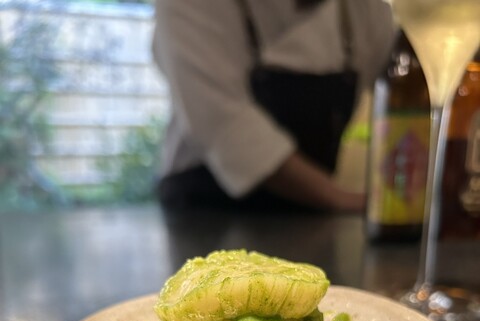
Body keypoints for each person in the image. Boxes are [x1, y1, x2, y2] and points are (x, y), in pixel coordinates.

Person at [152, 0, 396, 212]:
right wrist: (342, 199)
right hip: (205, 213)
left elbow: (403, 93)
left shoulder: (361, 11)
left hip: (309, 219)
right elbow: (224, 126)